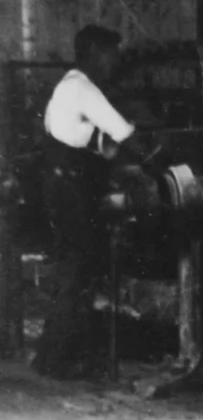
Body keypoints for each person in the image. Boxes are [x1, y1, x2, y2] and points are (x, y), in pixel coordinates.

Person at [32, 25, 150, 379]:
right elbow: (124, 133)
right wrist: (156, 161)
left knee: (75, 267)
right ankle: (58, 359)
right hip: (69, 191)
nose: (114, 62)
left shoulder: (66, 87)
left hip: (59, 188)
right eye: (112, 54)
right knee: (79, 267)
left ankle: (56, 355)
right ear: (97, 52)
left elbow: (96, 142)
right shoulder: (83, 88)